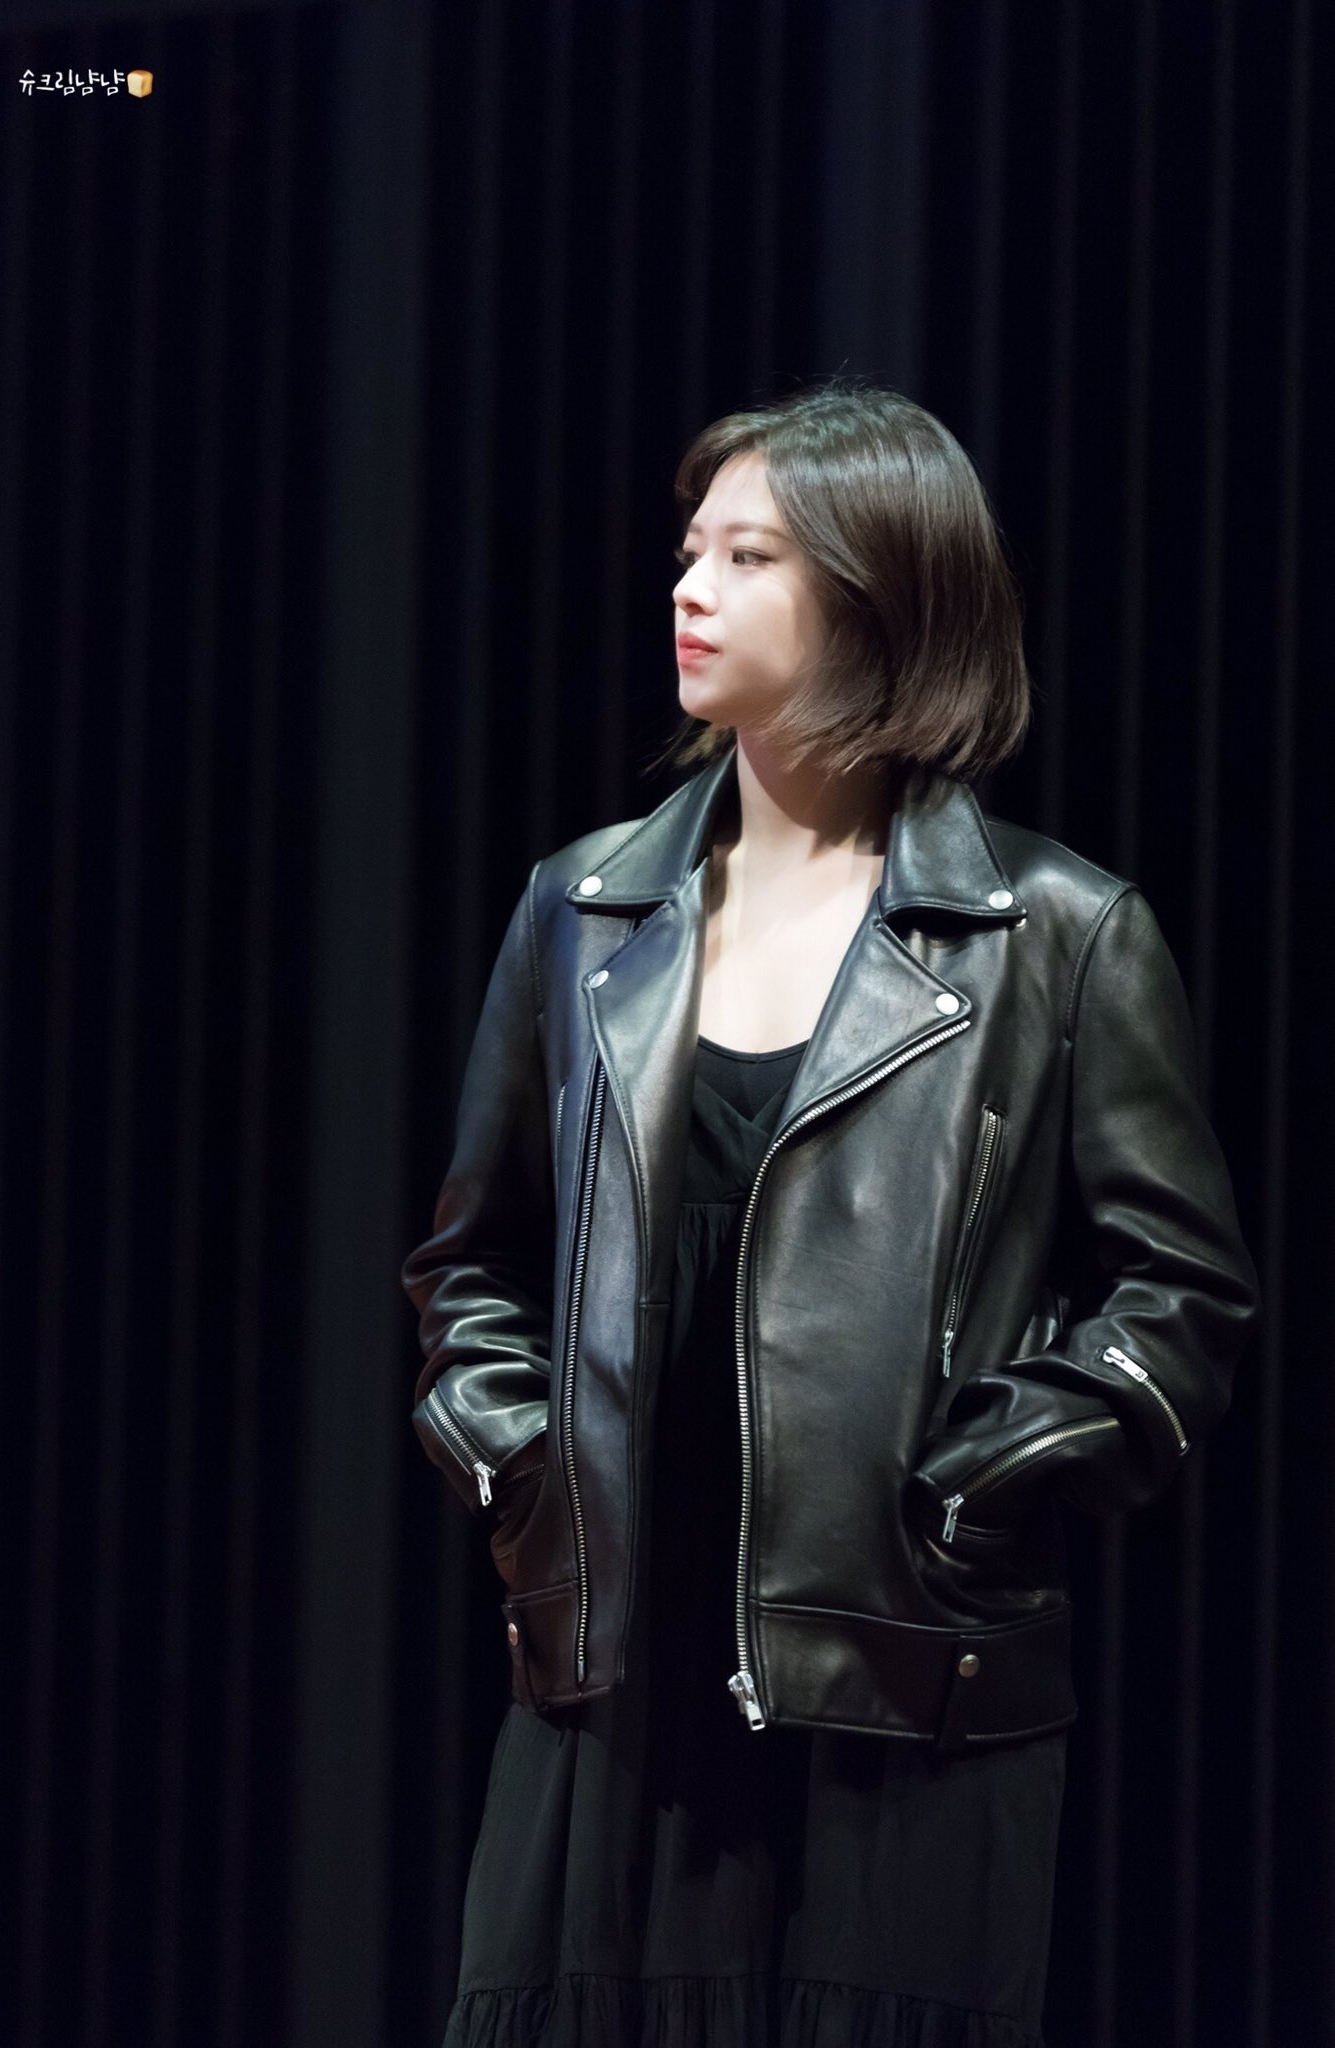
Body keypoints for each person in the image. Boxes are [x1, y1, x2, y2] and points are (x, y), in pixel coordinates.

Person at [400, 379, 1260, 2047]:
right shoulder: (586, 910)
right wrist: (523, 1464)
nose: (690, 588)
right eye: (690, 551)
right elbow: (469, 1263)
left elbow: (1182, 1297)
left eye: (750, 557)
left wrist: (976, 1485)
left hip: (906, 1700)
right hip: (611, 1697)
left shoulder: (1058, 935)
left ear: (877, 594)